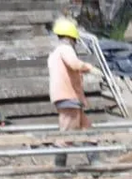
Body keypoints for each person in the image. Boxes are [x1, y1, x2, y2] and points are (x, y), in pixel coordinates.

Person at [47, 18, 97, 169]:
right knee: (67, 134)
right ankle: (59, 168)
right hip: (68, 96)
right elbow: (74, 64)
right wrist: (89, 68)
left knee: (87, 129)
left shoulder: (54, 54)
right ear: (71, 37)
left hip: (67, 97)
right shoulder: (65, 49)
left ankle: (96, 163)